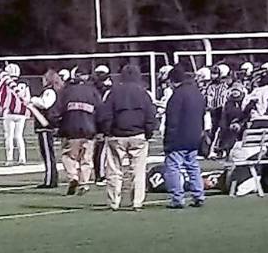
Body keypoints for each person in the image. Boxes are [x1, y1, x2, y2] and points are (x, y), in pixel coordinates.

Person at [98, 64, 156, 211]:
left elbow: (105, 114)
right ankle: (137, 201)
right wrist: (148, 133)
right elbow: (150, 115)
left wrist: (107, 131)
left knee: (114, 170)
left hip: (116, 135)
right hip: (138, 135)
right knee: (138, 170)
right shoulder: (144, 93)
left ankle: (113, 202)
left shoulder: (113, 93)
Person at [163, 65, 206, 209]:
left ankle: (177, 198)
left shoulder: (177, 96)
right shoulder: (197, 93)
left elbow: (172, 119)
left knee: (173, 167)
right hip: (194, 136)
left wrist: (168, 140)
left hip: (178, 137)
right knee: (193, 166)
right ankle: (198, 194)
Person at [57, 68, 101, 196]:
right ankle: (84, 183)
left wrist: (56, 125)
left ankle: (73, 177)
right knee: (86, 159)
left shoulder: (66, 91)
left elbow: (58, 110)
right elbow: (100, 110)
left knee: (68, 157)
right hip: (89, 130)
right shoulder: (93, 91)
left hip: (71, 130)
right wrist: (100, 128)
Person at [30, 70, 63, 187]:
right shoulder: (50, 91)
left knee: (48, 154)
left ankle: (50, 180)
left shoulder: (49, 92)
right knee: (47, 154)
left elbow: (45, 104)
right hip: (45, 126)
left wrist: (33, 99)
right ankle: (50, 178)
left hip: (46, 126)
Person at [0, 64, 31, 167]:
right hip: (21, 112)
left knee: (9, 136)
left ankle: (9, 159)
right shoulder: (25, 82)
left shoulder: (6, 81)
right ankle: (22, 158)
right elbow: (28, 97)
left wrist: (0, 107)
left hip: (9, 111)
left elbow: (0, 95)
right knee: (19, 136)